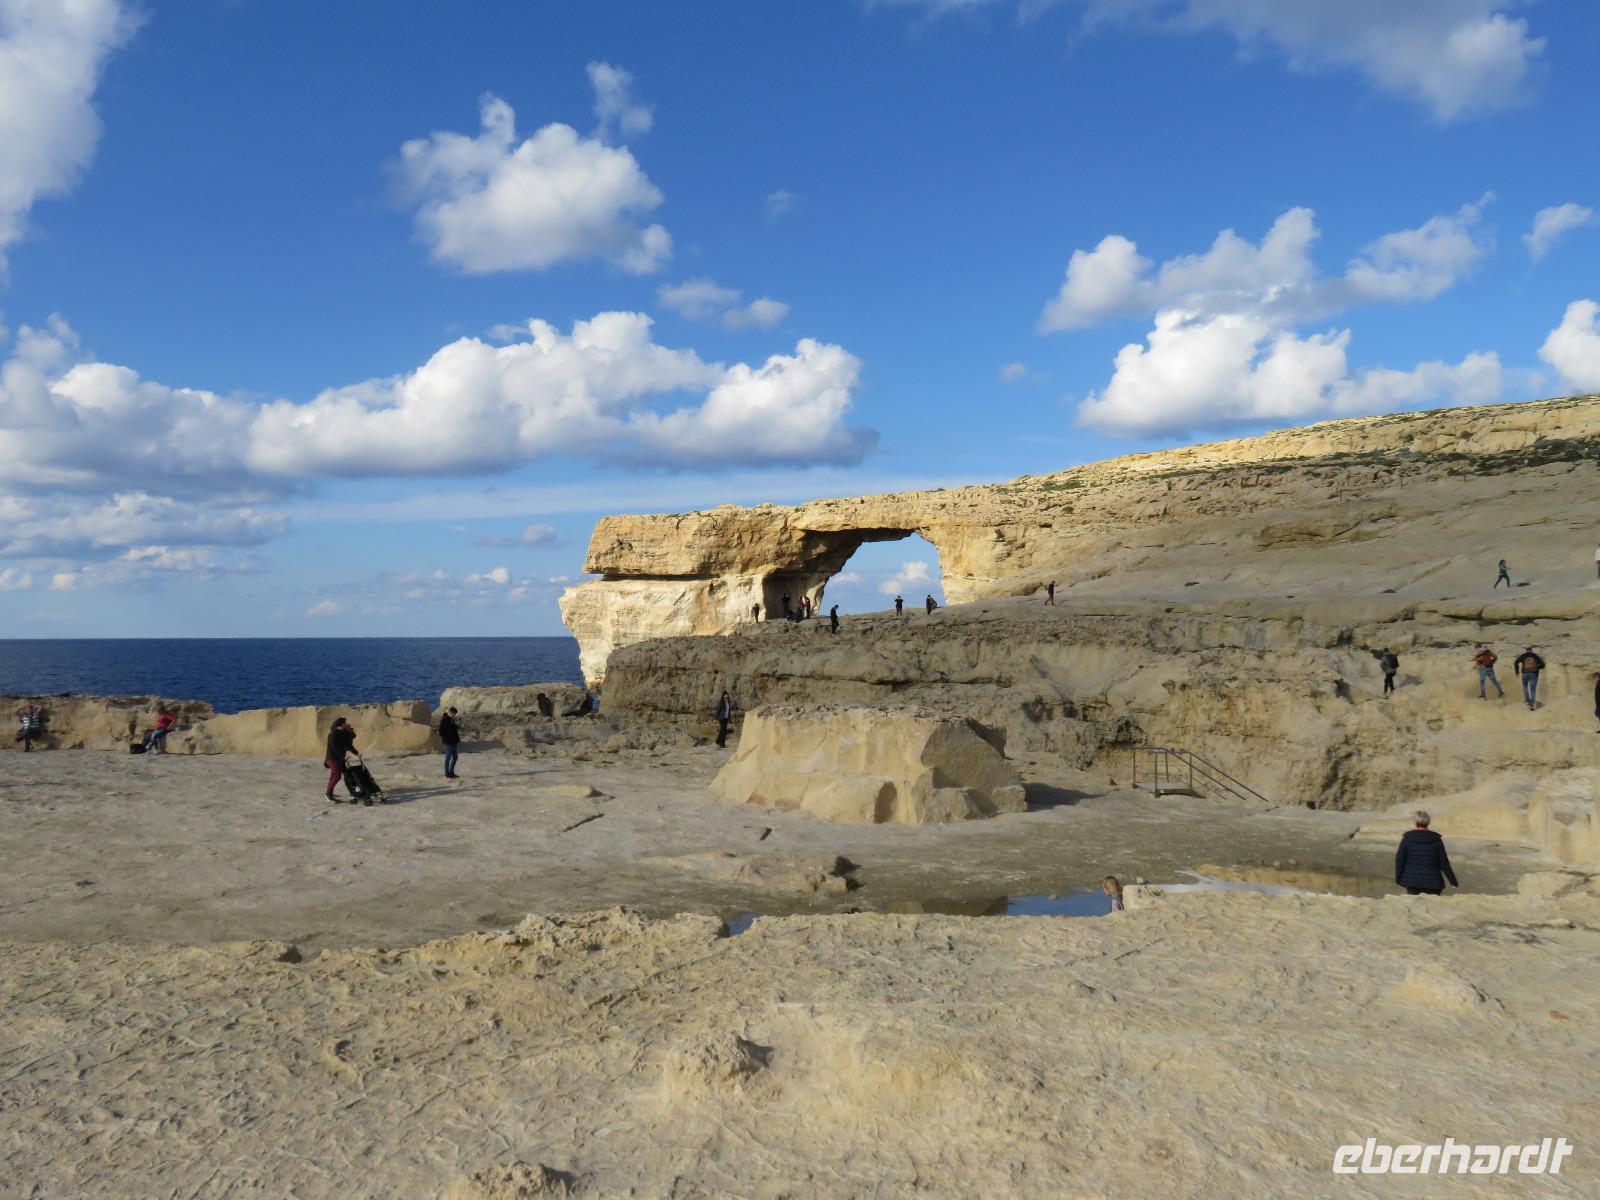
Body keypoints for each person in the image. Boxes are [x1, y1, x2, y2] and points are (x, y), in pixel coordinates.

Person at [1394, 810, 1458, 896]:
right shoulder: (1436, 839)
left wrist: (1398, 878)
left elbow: (1400, 860)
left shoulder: (1407, 838)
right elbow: (1444, 862)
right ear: (1428, 822)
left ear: (1415, 822)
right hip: (1433, 882)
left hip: (1412, 882)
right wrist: (1453, 881)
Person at [323, 717, 357, 803]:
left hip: (337, 758)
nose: (347, 724)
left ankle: (329, 793)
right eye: (345, 723)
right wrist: (343, 755)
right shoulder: (334, 733)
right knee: (337, 775)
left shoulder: (342, 733)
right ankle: (328, 795)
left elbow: (350, 741)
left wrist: (350, 730)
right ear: (341, 724)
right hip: (333, 758)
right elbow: (334, 747)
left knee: (334, 776)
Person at [438, 706, 462, 778]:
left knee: (455, 757)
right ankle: (447, 773)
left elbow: (453, 729)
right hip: (448, 742)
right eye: (454, 714)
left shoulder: (451, 719)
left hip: (453, 742)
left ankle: (451, 772)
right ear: (450, 713)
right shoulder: (444, 720)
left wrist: (456, 727)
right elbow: (441, 733)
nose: (454, 716)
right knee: (448, 758)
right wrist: (450, 736)